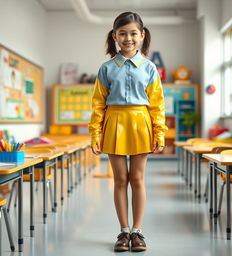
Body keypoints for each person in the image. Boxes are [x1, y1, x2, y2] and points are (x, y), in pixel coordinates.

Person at [89, 12, 167, 252]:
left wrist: (159, 133)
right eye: (122, 33)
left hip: (140, 124)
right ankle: (124, 231)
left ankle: (138, 231)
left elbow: (157, 104)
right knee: (120, 179)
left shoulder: (150, 67)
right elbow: (98, 104)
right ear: (114, 36)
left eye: (133, 33)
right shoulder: (106, 68)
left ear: (142, 35)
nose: (128, 38)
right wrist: (95, 134)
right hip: (113, 124)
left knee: (138, 178)